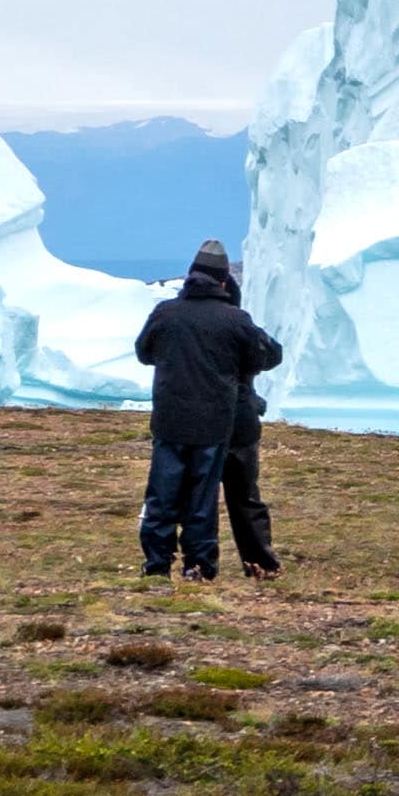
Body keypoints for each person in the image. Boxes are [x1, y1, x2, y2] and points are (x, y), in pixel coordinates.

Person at [134, 240, 286, 583]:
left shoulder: (166, 313)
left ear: (190, 276)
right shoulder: (234, 320)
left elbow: (144, 352)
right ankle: (198, 565)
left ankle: (156, 562)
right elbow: (264, 357)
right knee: (201, 499)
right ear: (223, 281)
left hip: (170, 421)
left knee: (162, 491)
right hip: (213, 424)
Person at [223, 376, 284, 578]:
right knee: (245, 495)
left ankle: (198, 564)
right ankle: (261, 563)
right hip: (239, 416)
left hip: (200, 417)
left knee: (197, 497)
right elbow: (266, 355)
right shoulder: (244, 343)